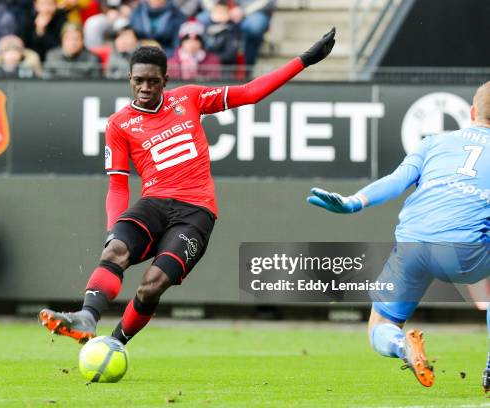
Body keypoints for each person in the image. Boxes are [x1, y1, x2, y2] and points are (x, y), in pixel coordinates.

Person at [39, 29, 336, 346]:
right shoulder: (119, 123)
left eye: (153, 81)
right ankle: (87, 317)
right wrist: (114, 227)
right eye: (139, 80)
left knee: (151, 285)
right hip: (152, 204)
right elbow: (117, 185)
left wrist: (304, 60)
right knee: (115, 250)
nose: (145, 88)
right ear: (129, 79)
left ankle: (115, 343)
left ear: (165, 80)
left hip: (195, 212)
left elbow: (250, 93)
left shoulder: (189, 98)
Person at [307, 81, 490, 389]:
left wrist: (353, 202)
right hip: (466, 251)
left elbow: (396, 181)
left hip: (413, 244)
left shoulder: (435, 142)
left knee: (381, 325)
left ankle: (401, 346)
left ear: (472, 112)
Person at [197, 0, 274, 66]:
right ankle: (205, 64)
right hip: (218, 8)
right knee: (201, 20)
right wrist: (217, 10)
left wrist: (243, 11)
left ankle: (247, 68)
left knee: (255, 25)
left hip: (250, 11)